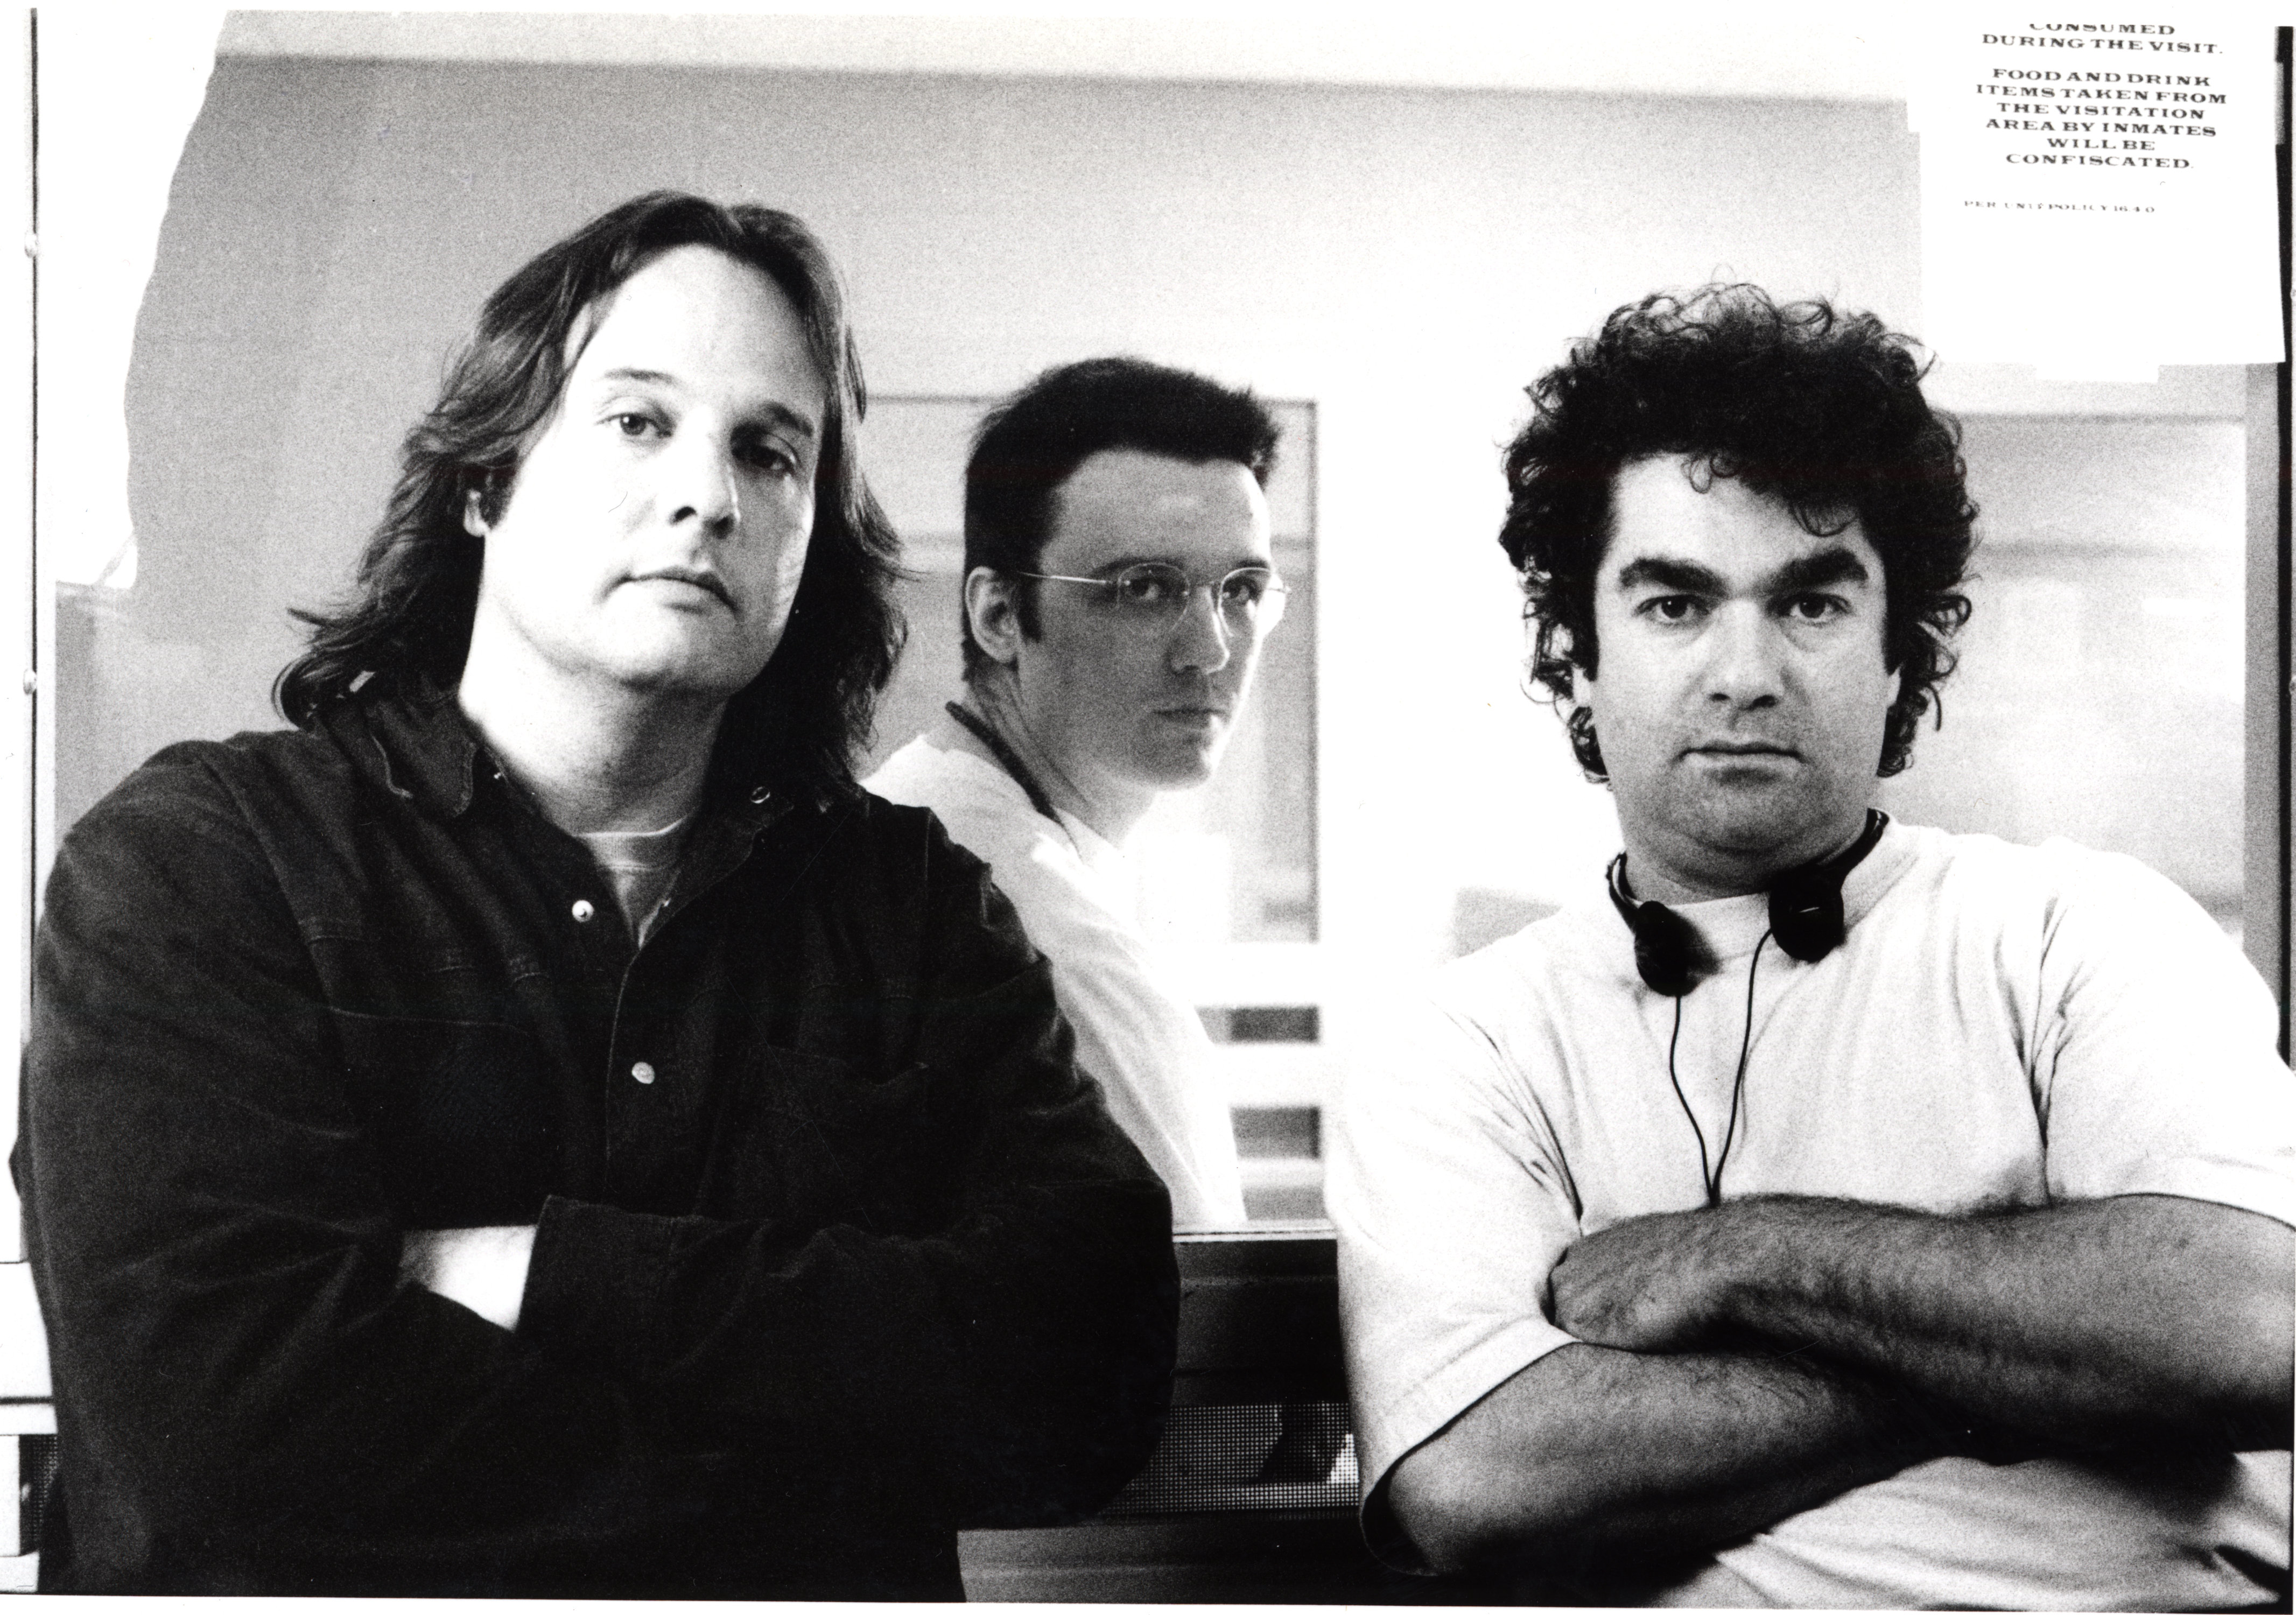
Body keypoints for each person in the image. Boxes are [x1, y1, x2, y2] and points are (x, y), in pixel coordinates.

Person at [15, 192, 1178, 1598]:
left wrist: (540, 1277)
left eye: (770, 449)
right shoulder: (205, 866)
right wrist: (833, 1467)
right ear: (484, 482)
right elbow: (217, 1467)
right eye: (639, 421)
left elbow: (1084, 1372)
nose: (711, 496)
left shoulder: (913, 912)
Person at [1331, 284, 2295, 1608]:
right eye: (1675, 605)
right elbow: (1484, 1481)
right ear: (1575, 654)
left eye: (1813, 605)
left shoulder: (2085, 929)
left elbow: (2251, 1330)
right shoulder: (1466, 1044)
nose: (1745, 672)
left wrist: (1739, 1255)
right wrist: (2026, 1340)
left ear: (1902, 656)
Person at [868, 357, 1284, 1228]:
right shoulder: (1030, 926)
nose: (1209, 650)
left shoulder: (915, 815)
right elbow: (1216, 1326)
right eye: (1143, 588)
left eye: (1240, 592)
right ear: (998, 617)